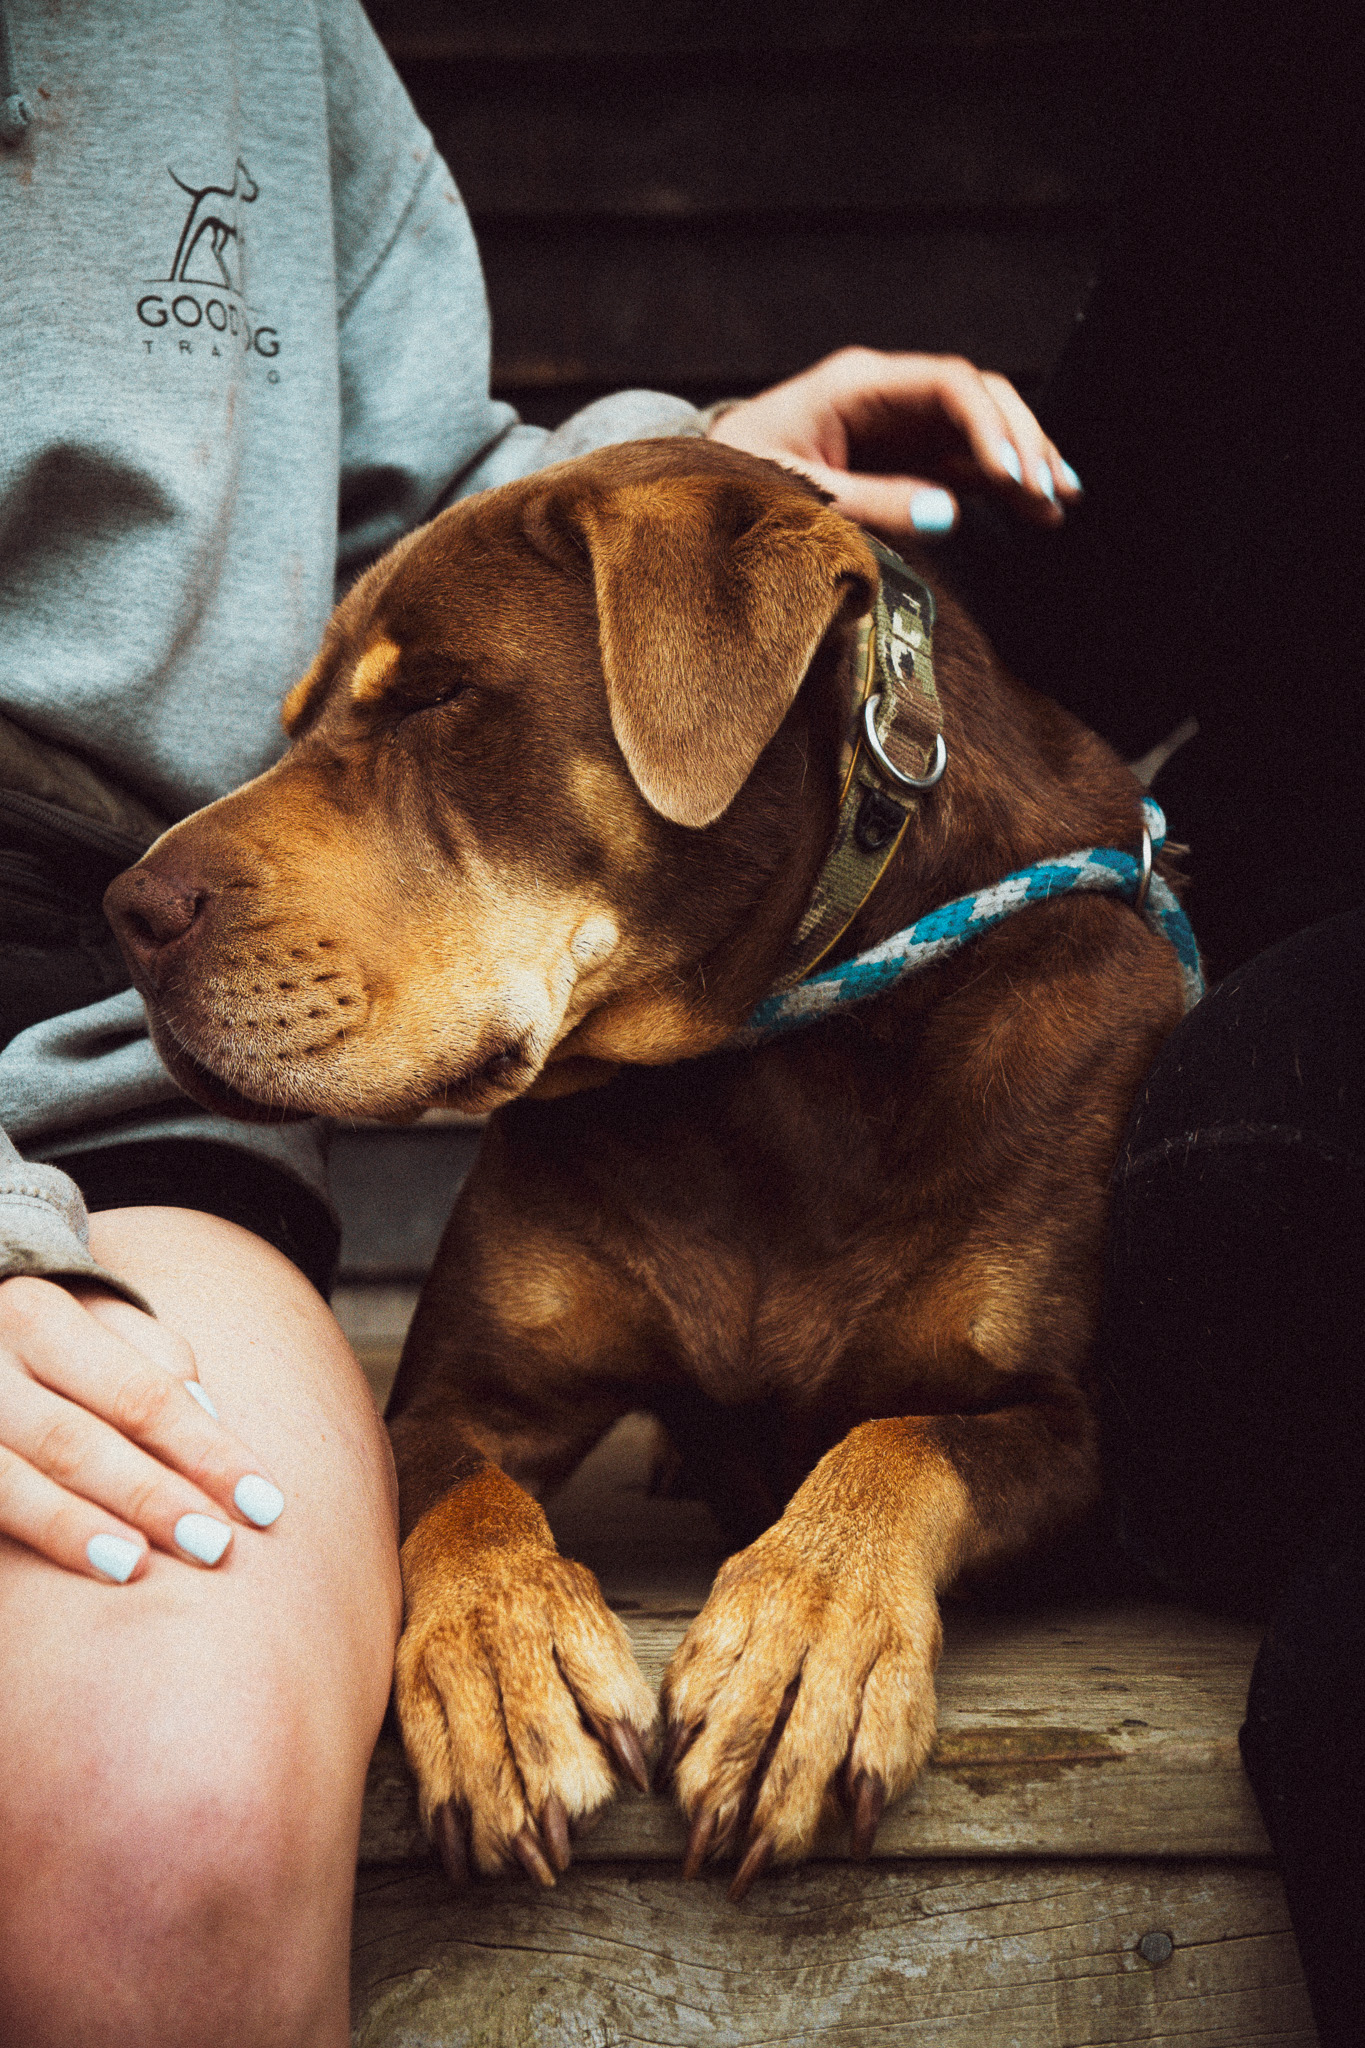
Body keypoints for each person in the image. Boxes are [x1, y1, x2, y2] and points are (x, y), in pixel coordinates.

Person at [0, 4, 1076, 2041]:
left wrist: (689, 491)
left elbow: (391, 517)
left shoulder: (254, 32)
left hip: (105, 1076)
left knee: (173, 1829)